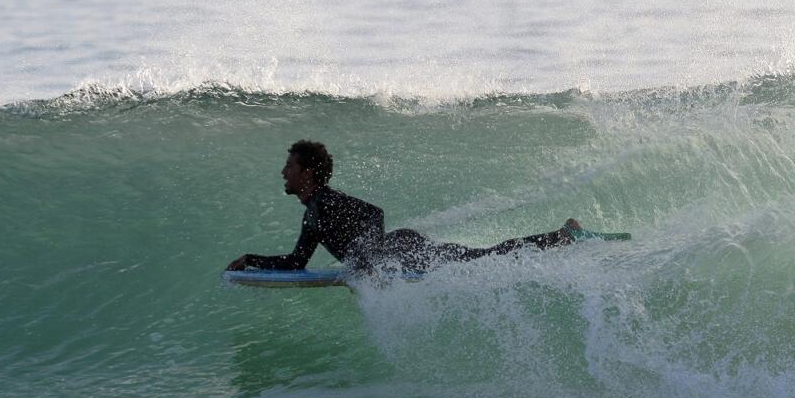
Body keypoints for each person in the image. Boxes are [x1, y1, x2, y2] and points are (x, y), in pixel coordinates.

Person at [225, 140, 585, 274]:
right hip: (392, 255)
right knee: (482, 258)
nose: (283, 172)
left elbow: (374, 214)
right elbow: (297, 262)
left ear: (306, 173)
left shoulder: (327, 201)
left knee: (485, 257)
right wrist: (251, 260)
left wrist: (368, 260)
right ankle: (561, 236)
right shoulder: (312, 213)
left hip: (402, 249)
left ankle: (563, 236)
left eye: (289, 166)